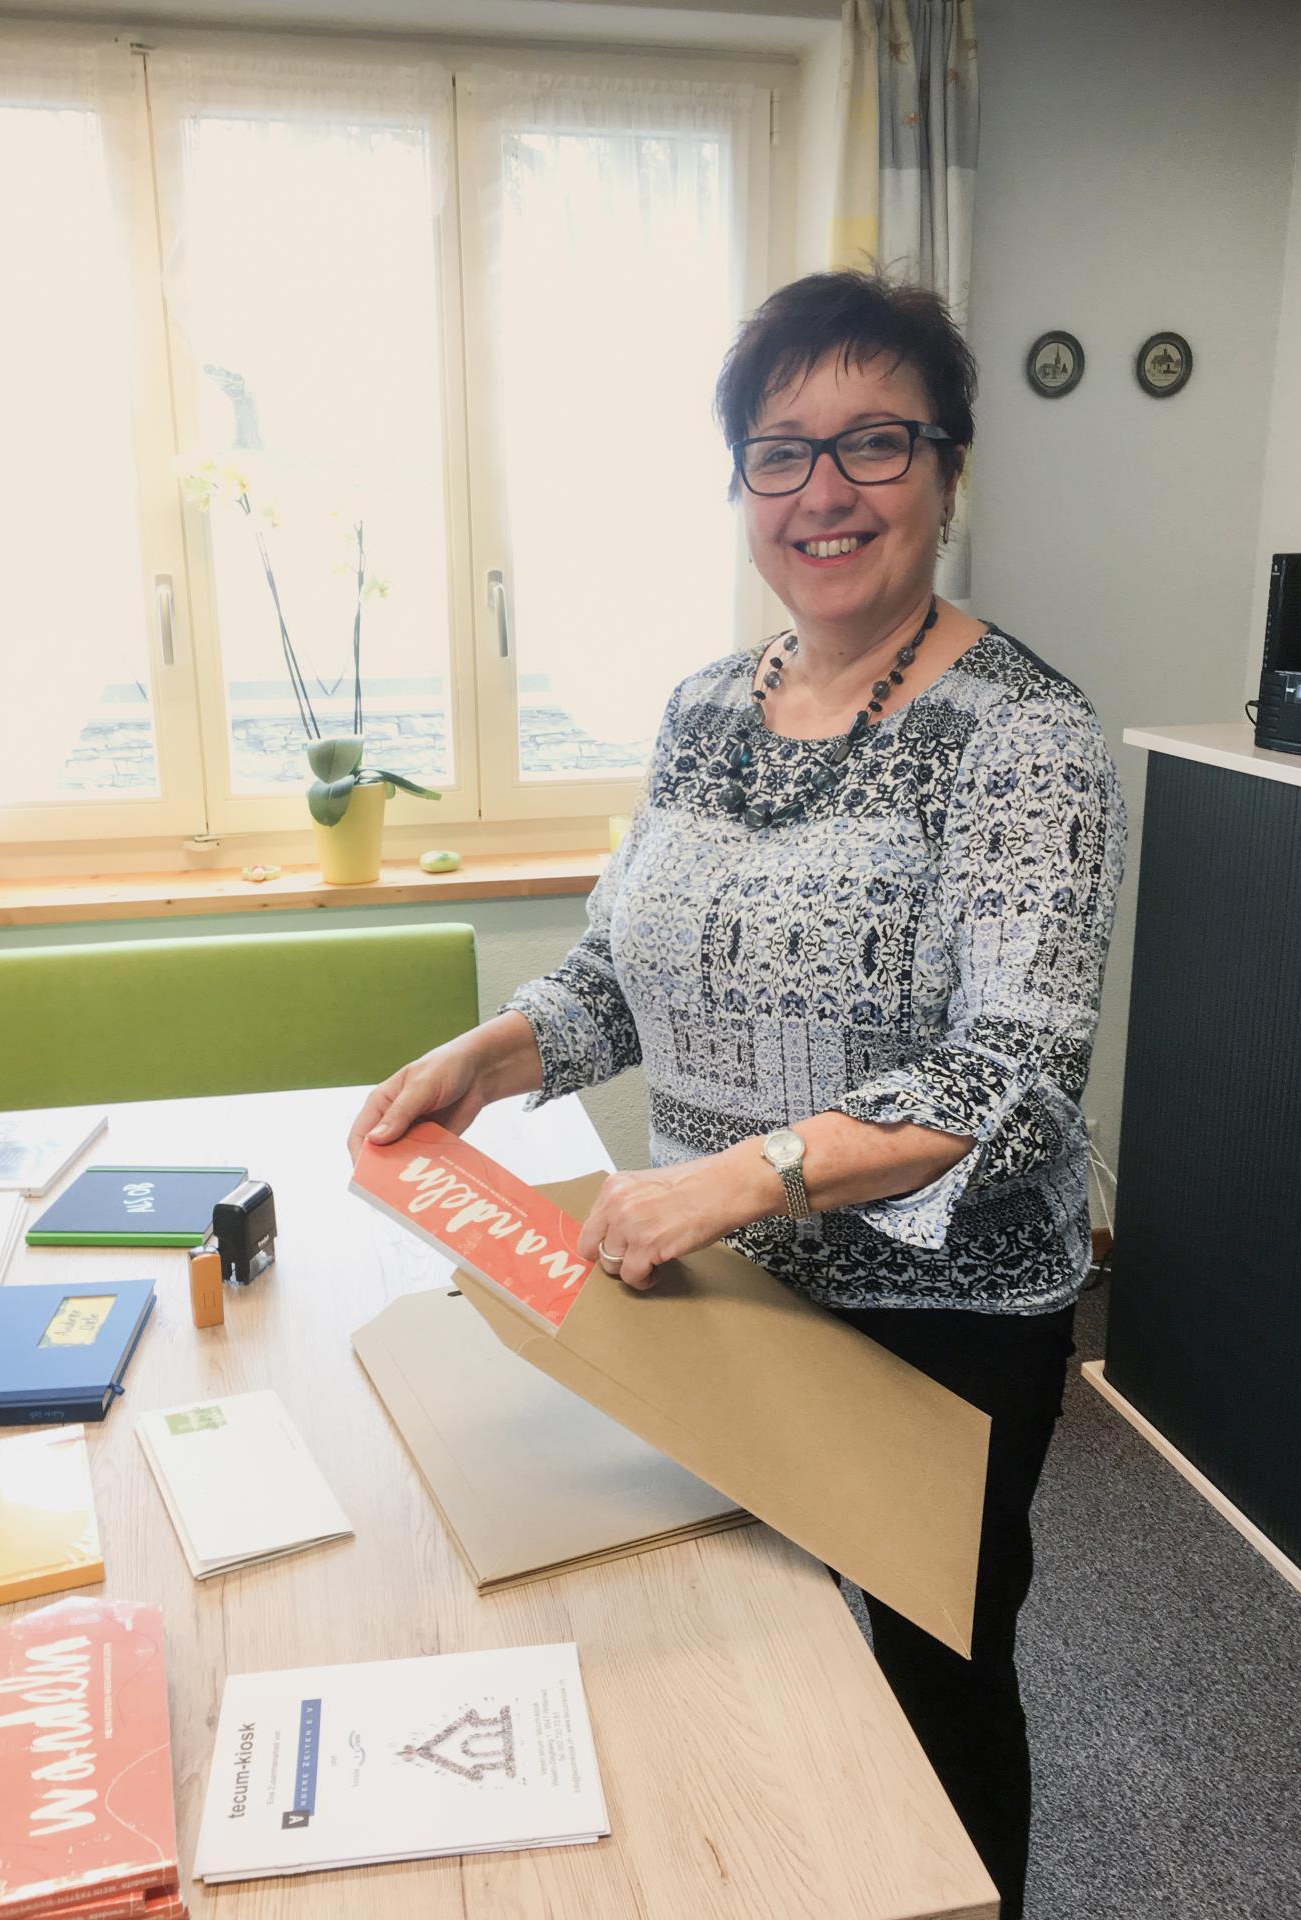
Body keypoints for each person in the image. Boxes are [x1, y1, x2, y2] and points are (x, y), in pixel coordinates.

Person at [348, 268, 1126, 1918]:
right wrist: (496, 1051)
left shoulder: (1028, 738)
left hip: (939, 1314)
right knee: (741, 1645)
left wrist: (740, 1175)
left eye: (874, 443)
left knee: (933, 1672)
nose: (823, 491)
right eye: (781, 451)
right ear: (743, 484)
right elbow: (627, 968)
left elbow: (1012, 1072)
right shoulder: (705, 707)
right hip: (719, 1287)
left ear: (949, 469)